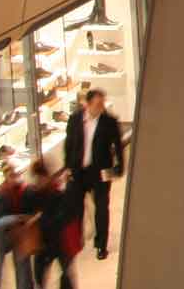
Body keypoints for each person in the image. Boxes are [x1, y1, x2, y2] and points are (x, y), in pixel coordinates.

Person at [64, 87, 122, 260]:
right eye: (97, 104)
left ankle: (101, 245)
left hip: (101, 171)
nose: (101, 106)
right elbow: (69, 144)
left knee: (102, 208)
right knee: (75, 208)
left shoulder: (109, 122)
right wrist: (68, 167)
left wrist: (119, 168)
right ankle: (76, 240)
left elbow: (118, 146)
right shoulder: (75, 120)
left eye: (102, 103)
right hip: (79, 171)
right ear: (88, 104)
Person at [25, 160, 78, 289]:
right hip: (43, 242)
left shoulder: (56, 193)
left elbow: (66, 215)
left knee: (65, 274)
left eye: (40, 177)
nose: (38, 181)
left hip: (59, 241)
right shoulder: (32, 194)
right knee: (39, 275)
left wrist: (41, 217)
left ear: (45, 176)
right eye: (35, 178)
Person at [0, 160, 33, 289]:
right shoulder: (0, 193)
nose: (15, 177)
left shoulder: (23, 190)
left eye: (16, 174)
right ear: (6, 176)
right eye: (11, 175)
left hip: (17, 233)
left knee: (22, 262)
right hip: (1, 234)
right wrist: (16, 218)